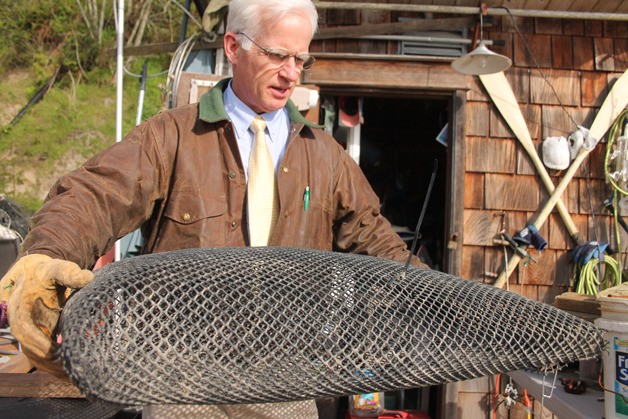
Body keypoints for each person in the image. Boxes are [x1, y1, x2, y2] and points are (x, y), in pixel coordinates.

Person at [0, 0, 426, 417]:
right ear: (233, 47)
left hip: (285, 382)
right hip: (179, 380)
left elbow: (377, 240)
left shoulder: (327, 157)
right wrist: (47, 253)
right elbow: (96, 193)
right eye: (277, 55)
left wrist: (441, 299)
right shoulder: (171, 136)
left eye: (301, 59)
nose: (291, 73)